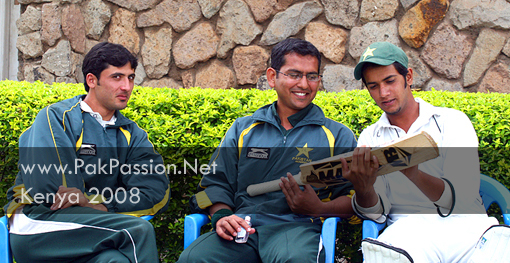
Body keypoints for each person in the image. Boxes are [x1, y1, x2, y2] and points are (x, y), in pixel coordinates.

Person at [177, 38, 358, 263]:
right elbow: (211, 186)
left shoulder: (337, 136)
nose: (304, 84)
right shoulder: (243, 130)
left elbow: (353, 198)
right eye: (294, 74)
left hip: (298, 229)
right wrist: (222, 216)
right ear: (272, 77)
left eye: (312, 76)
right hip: (242, 228)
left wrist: (318, 208)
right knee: (194, 258)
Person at [4, 42, 170, 263]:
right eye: (117, 77)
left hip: (90, 228)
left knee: (114, 261)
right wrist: (85, 202)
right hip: (37, 223)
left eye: (130, 78)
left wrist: (96, 205)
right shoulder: (55, 117)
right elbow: (54, 189)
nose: (127, 87)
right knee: (137, 230)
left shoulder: (133, 135)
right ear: (92, 80)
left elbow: (154, 190)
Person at [342, 42, 500, 262]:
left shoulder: (451, 121)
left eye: (390, 81)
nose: (383, 93)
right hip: (409, 234)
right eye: (373, 86)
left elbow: (459, 201)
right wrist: (363, 186)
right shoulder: (370, 138)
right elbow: (377, 215)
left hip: (467, 230)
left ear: (408, 76)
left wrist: (414, 174)